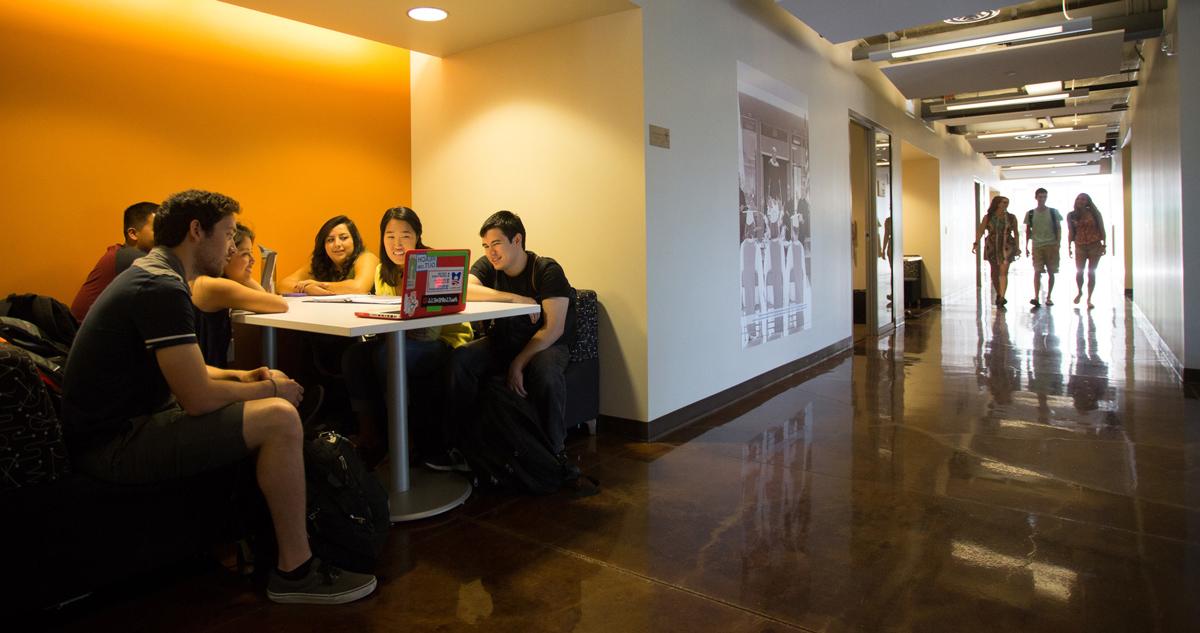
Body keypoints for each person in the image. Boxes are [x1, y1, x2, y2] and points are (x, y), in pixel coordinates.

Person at [61, 189, 376, 605]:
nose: (233, 245)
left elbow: (186, 368)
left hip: (120, 426)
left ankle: (267, 539)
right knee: (279, 416)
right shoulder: (160, 286)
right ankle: (295, 572)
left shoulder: (156, 274)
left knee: (263, 400)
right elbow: (197, 397)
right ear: (196, 231)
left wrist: (243, 374)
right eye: (228, 234)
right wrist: (270, 388)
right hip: (115, 444)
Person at [340, 207, 472, 466]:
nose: (396, 243)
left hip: (444, 341)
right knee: (353, 355)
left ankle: (404, 441)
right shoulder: (382, 271)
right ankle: (369, 435)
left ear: (418, 236)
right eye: (389, 236)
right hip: (402, 339)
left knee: (387, 355)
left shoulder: (431, 262)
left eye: (405, 236)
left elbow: (429, 331)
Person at [450, 210, 577, 459]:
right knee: (461, 358)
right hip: (504, 340)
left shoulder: (546, 270)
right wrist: (512, 297)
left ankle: (554, 453)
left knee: (546, 371)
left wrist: (519, 363)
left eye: (496, 243)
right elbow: (463, 288)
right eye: (485, 245)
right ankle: (460, 445)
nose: (490, 252)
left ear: (517, 240)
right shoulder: (489, 265)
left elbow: (553, 329)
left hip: (546, 344)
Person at [191, 223, 288, 367]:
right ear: (225, 253)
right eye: (245, 254)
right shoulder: (213, 286)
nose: (252, 260)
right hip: (204, 381)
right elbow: (279, 304)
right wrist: (246, 278)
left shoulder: (199, 279)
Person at [70, 201, 158, 321]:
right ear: (133, 234)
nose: (165, 234)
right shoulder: (130, 258)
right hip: (84, 337)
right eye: (158, 229)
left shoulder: (121, 253)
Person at [279, 215, 379, 295]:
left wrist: (320, 286)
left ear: (355, 240)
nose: (337, 244)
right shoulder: (322, 263)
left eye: (343, 238)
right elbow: (282, 285)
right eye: (330, 240)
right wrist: (307, 289)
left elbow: (359, 288)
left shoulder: (366, 258)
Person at [972, 195, 1020, 307]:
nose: (1006, 204)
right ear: (997, 203)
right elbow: (980, 230)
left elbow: (1016, 233)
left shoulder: (1011, 217)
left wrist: (1017, 248)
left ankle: (1002, 297)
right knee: (994, 271)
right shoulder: (988, 217)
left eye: (1007, 202)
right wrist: (976, 243)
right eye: (1003, 202)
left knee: (1004, 271)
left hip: (1007, 246)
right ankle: (999, 293)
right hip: (992, 246)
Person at [1023, 187, 1064, 307]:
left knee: (1051, 271)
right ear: (1036, 197)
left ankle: (1049, 296)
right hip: (1037, 245)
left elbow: (1058, 228)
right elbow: (1028, 231)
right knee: (1037, 271)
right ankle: (1036, 296)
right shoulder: (1030, 213)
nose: (1042, 199)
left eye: (1044, 196)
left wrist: (1058, 243)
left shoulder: (1053, 212)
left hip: (1051, 245)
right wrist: (1026, 246)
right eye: (1040, 196)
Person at [1066, 193, 1107, 309]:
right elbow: (1071, 231)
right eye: (1078, 198)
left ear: (1088, 201)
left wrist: (1104, 244)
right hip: (1080, 245)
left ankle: (1089, 298)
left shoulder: (1094, 213)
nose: (1080, 201)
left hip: (1095, 245)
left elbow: (1101, 228)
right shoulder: (1072, 215)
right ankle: (1079, 291)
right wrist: (1069, 246)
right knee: (1079, 271)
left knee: (1091, 272)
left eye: (1083, 199)